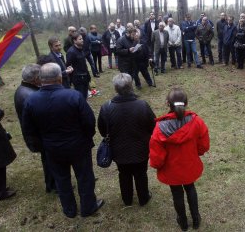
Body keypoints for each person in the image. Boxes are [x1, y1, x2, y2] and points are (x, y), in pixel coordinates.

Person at [22, 63, 103, 218]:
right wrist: (86, 137)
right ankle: (88, 207)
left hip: (52, 148)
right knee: (84, 176)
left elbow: (29, 130)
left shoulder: (31, 101)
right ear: (60, 78)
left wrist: (43, 145)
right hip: (77, 145)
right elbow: (88, 121)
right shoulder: (73, 95)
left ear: (41, 79)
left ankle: (70, 210)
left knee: (61, 179)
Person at [150, 88, 210, 230]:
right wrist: (196, 153)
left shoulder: (159, 127)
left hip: (172, 170)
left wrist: (157, 165)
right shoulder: (197, 121)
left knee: (176, 193)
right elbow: (204, 144)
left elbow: (156, 154)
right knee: (190, 188)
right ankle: (196, 219)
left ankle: (182, 222)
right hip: (189, 164)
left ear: (167, 103)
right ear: (186, 103)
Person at [98, 73, 155, 206]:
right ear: (131, 86)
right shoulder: (142, 105)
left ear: (116, 88)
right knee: (141, 173)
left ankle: (127, 199)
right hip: (140, 148)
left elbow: (102, 130)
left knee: (124, 174)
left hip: (118, 150)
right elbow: (153, 126)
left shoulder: (106, 107)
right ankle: (143, 198)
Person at [14, 64, 57, 193]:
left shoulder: (24, 89)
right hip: (40, 136)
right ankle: (54, 185)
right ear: (35, 79)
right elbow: (41, 117)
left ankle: (51, 184)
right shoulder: (29, 95)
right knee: (50, 160)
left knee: (48, 159)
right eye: (41, 76)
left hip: (37, 134)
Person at [66, 33, 91, 99]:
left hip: (85, 77)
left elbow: (83, 64)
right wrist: (71, 79)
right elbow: (68, 66)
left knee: (85, 96)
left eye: (82, 38)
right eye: (80, 39)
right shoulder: (71, 52)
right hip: (78, 79)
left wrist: (88, 76)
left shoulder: (81, 49)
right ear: (74, 41)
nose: (82, 40)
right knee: (80, 97)